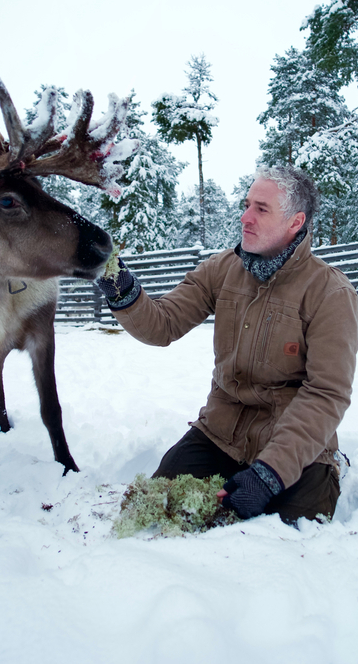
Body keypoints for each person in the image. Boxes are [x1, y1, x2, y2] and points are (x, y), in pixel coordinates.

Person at [96, 166, 358, 525]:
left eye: (261, 209)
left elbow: (326, 394)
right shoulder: (222, 269)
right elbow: (163, 324)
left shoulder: (330, 294)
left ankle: (333, 470)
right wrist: (116, 282)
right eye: (247, 204)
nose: (245, 217)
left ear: (295, 222)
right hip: (221, 434)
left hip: (296, 447)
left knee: (286, 535)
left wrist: (269, 474)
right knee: (162, 506)